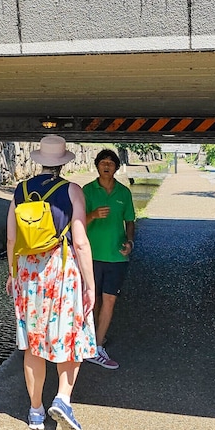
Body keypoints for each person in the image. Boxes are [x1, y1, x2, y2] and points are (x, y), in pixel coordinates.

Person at [6, 135, 97, 430]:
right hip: (62, 269)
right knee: (71, 336)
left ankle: (35, 411)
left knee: (33, 345)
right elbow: (81, 241)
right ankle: (63, 398)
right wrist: (90, 285)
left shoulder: (19, 191)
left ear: (40, 160)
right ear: (63, 163)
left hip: (29, 275)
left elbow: (11, 239)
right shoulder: (72, 191)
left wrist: (12, 273)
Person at [82, 149, 136, 370]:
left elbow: (130, 221)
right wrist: (92, 215)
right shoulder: (86, 191)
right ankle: (93, 338)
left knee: (110, 299)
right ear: (97, 166)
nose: (106, 166)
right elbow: (75, 223)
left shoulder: (124, 193)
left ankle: (96, 346)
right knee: (92, 301)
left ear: (116, 167)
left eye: (111, 163)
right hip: (91, 256)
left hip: (116, 257)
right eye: (103, 162)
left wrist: (130, 242)